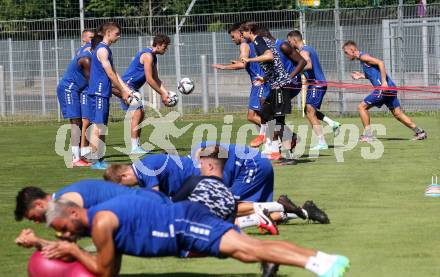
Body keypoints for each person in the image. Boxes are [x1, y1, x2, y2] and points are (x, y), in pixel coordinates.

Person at [41, 196, 349, 277]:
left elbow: (105, 272)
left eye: (64, 229)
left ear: (71, 213)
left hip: (186, 225)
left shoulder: (101, 223)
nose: (65, 234)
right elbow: (113, 264)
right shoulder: (102, 218)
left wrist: (75, 252)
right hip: (185, 225)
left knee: (250, 249)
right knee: (248, 251)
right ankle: (320, 261)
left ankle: (320, 262)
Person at [14, 179, 170, 249]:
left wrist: (37, 241)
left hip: (151, 210)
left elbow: (68, 247)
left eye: (34, 217)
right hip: (150, 203)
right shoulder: (64, 199)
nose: (36, 222)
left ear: (39, 204)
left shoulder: (65, 202)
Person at [240, 22, 302, 160]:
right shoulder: (259, 42)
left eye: (242, 33)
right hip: (274, 83)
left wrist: (250, 59)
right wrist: (265, 78)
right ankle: (275, 147)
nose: (242, 36)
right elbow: (274, 65)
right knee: (266, 112)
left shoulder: (258, 41)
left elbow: (269, 56)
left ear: (250, 31)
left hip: (281, 85)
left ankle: (284, 152)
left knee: (277, 120)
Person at [342, 40, 427, 141]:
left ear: (352, 50)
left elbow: (380, 63)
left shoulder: (363, 57)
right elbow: (374, 74)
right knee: (398, 114)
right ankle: (420, 132)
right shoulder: (362, 59)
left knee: (362, 107)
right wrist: (361, 76)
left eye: (346, 53)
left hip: (383, 89)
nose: (346, 56)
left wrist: (384, 82)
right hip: (390, 88)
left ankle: (367, 135)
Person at [212, 22, 270, 148]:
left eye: (233, 36)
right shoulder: (251, 44)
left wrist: (223, 67)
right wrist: (240, 61)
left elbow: (242, 64)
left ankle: (279, 135)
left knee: (252, 115)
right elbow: (247, 61)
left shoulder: (244, 45)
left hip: (259, 83)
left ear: (240, 34)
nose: (232, 40)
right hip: (260, 83)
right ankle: (274, 139)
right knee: (257, 115)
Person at [87, 22, 132, 170]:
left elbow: (115, 73)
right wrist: (123, 92)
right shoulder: (102, 51)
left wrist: (127, 89)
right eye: (116, 33)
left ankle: (100, 158)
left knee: (102, 127)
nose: (118, 36)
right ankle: (95, 161)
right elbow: (110, 74)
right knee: (98, 127)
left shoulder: (106, 50)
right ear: (108, 33)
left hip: (103, 93)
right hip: (99, 92)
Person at [288, 30, 342, 150]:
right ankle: (332, 123)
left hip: (317, 84)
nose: (289, 43)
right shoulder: (308, 48)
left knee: (309, 112)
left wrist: (296, 70)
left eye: (289, 41)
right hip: (315, 84)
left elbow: (309, 65)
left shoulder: (303, 51)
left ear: (294, 40)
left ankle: (322, 142)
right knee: (308, 110)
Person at [119, 34, 173, 154]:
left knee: (140, 113)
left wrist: (165, 93)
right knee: (138, 113)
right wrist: (162, 94)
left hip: (132, 88)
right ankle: (134, 147)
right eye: (165, 46)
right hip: (125, 86)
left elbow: (156, 79)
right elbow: (149, 79)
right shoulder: (148, 56)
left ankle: (136, 146)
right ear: (158, 45)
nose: (166, 49)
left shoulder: (153, 57)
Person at [56, 29, 94, 167]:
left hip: (79, 89)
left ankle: (81, 154)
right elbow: (93, 79)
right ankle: (75, 158)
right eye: (90, 38)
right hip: (69, 88)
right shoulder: (85, 54)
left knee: (84, 120)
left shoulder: (89, 52)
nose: (92, 40)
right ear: (84, 39)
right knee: (76, 123)